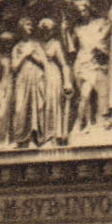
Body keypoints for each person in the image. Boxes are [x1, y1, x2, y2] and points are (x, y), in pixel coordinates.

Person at [66, 0, 111, 133]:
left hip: (98, 62)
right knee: (85, 95)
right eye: (79, 12)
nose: (82, 14)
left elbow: (109, 35)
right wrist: (65, 32)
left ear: (89, 9)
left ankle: (99, 121)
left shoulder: (100, 23)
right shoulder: (78, 28)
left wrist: (101, 48)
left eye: (84, 10)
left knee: (102, 93)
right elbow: (70, 49)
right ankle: (85, 123)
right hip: (83, 64)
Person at [9, 18, 49, 147]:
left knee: (35, 106)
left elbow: (44, 62)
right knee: (20, 107)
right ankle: (19, 138)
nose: (30, 27)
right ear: (21, 28)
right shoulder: (17, 47)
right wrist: (25, 55)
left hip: (36, 77)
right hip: (22, 79)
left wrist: (33, 56)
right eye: (27, 25)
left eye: (31, 25)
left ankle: (33, 138)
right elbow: (14, 67)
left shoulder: (36, 45)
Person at [37, 16, 74, 145]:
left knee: (53, 103)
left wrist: (67, 81)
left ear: (53, 31)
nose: (46, 32)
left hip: (53, 75)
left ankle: (53, 135)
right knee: (41, 105)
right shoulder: (36, 44)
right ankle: (42, 136)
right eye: (43, 29)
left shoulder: (56, 44)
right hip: (39, 77)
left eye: (49, 29)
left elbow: (64, 64)